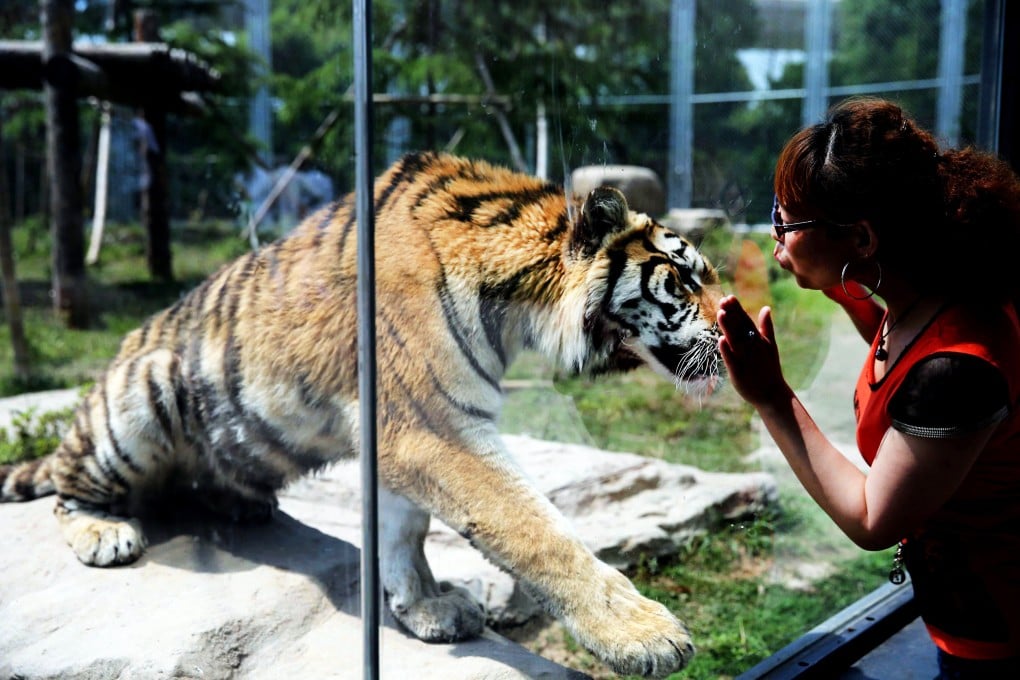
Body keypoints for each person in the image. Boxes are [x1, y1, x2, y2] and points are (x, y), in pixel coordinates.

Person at [717, 97, 1020, 678]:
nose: (774, 231)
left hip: (995, 633)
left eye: (787, 220)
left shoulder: (957, 371)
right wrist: (834, 283)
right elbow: (896, 339)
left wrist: (771, 397)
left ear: (861, 240)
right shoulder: (931, 293)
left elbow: (871, 518)